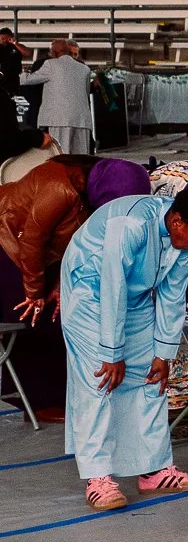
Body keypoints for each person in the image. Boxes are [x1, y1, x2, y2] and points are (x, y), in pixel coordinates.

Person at [60, 185, 188, 510]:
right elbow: (112, 285)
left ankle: (154, 470)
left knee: (151, 377)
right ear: (177, 221)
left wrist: (163, 353)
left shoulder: (183, 240)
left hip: (134, 298)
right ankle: (98, 478)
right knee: (100, 380)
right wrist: (111, 352)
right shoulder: (131, 224)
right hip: (90, 294)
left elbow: (172, 296)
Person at [0, 155, 150, 419]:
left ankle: (51, 396)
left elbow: (74, 246)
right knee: (34, 316)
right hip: (8, 243)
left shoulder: (89, 197)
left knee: (59, 313)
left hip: (38, 255)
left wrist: (60, 284)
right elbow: (31, 241)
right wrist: (35, 294)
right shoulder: (60, 189)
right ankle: (39, 402)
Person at [23, 40, 94, 155]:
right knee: (81, 158)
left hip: (59, 118)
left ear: (54, 52)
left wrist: (21, 74)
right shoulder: (85, 69)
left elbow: (28, 80)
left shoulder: (51, 64)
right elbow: (86, 92)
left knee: (60, 154)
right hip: (82, 120)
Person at [0, 26, 22, 133]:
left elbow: (28, 53)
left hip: (13, 83)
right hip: (2, 83)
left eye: (6, 38)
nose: (4, 41)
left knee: (12, 107)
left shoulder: (15, 47)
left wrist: (14, 43)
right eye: (2, 38)